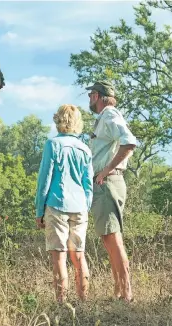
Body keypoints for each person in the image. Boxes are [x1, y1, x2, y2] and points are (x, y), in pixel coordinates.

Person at [35, 104, 93, 303]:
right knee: (79, 256)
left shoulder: (52, 144)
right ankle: (83, 303)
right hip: (80, 207)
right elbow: (88, 185)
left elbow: (44, 180)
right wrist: (87, 207)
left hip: (56, 205)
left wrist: (39, 210)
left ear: (58, 120)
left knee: (59, 258)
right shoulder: (85, 148)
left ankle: (61, 305)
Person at [86, 80, 136, 302]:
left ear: (97, 96)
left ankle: (126, 294)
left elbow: (129, 143)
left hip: (107, 183)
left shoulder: (109, 115)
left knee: (112, 238)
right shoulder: (104, 118)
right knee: (108, 238)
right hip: (106, 184)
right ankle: (118, 290)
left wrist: (105, 171)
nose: (89, 99)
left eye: (90, 95)